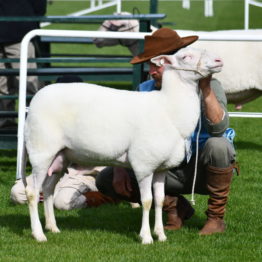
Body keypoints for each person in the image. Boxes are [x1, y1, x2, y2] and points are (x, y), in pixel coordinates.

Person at [96, 28, 239, 235]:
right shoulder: (145, 89)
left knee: (219, 145)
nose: (152, 71)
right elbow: (127, 133)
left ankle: (216, 218)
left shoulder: (211, 86)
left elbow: (219, 128)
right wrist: (119, 168)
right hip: (166, 167)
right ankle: (174, 208)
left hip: (201, 168)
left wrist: (205, 89)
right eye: (149, 65)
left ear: (175, 61)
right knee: (106, 179)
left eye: (157, 65)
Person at [10, 75, 119, 210]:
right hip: (52, 171)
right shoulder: (51, 116)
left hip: (83, 173)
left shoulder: (95, 116)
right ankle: (50, 195)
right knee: (18, 193)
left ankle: (104, 196)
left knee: (63, 203)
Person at [0, 0, 47, 129]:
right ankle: (6, 122)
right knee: (6, 84)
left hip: (20, 31)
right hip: (20, 27)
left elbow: (39, 6)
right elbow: (39, 7)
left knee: (28, 83)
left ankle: (36, 123)